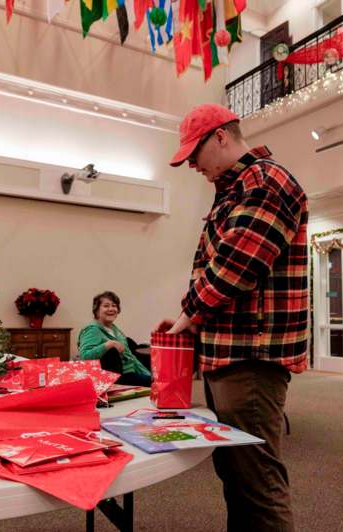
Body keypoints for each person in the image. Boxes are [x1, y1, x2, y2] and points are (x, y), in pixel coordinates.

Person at [158, 103, 309, 532]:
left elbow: (235, 267)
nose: (191, 164)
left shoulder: (266, 181)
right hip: (230, 353)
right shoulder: (238, 186)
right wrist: (187, 320)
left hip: (251, 356)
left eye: (194, 153)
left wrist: (188, 316)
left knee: (256, 480)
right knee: (236, 474)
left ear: (221, 136)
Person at [78, 291, 152, 387]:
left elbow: (130, 356)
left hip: (130, 372)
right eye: (106, 306)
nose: (111, 309)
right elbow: (85, 357)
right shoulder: (92, 330)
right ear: (96, 310)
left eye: (114, 306)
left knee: (159, 379)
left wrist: (148, 374)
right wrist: (108, 345)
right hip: (117, 378)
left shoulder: (114, 329)